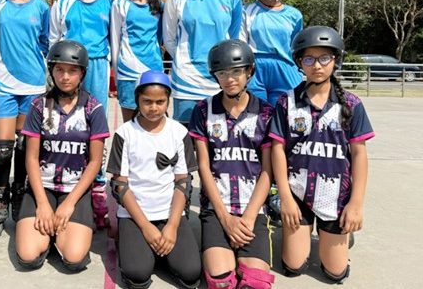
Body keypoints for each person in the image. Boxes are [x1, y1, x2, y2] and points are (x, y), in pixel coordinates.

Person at [269, 26, 374, 284]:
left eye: (324, 58)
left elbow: (359, 155)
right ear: (299, 62)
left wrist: (355, 204)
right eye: (309, 59)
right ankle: (292, 223)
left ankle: (339, 235)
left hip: (335, 196)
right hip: (298, 193)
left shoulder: (351, 104)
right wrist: (286, 198)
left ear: (336, 60)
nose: (317, 65)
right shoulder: (286, 102)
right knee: (293, 266)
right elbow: (278, 150)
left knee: (335, 273)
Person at [189, 40, 276, 289]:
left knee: (255, 284)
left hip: (253, 208)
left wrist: (248, 217)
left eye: (236, 71)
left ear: (249, 71)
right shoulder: (203, 110)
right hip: (218, 208)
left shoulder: (266, 112)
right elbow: (204, 167)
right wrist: (225, 219)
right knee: (221, 282)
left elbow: (267, 171)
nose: (229, 79)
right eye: (222, 73)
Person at [16, 40, 109, 272]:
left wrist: (68, 204)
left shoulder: (94, 108)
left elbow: (95, 162)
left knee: (74, 257)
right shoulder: (39, 106)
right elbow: (31, 158)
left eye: (72, 71)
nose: (65, 77)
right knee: (28, 255)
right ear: (51, 71)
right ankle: (47, 237)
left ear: (82, 73)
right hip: (43, 187)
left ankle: (62, 233)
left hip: (74, 189)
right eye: (59, 69)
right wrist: (42, 204)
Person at [108, 70, 201, 289]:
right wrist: (146, 227)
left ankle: (157, 249)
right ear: (137, 100)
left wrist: (172, 225)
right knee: (137, 273)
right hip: (135, 215)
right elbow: (120, 185)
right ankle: (134, 242)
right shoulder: (125, 133)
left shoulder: (179, 132)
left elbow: (183, 181)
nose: (154, 108)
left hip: (169, 213)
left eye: (160, 102)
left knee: (191, 273)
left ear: (168, 101)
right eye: (147, 101)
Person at [0, 0, 49, 236]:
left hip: (33, 85)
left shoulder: (42, 7)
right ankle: (1, 192)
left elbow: (46, 43)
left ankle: (21, 189)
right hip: (5, 85)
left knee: (25, 146)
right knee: (3, 148)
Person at [49, 0, 113, 228]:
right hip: (69, 69)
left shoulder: (109, 3)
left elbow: (115, 39)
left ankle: (96, 185)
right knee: (67, 124)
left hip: (97, 66)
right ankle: (66, 176)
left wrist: (112, 73)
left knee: (94, 127)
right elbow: (54, 40)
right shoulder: (62, 3)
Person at [162, 0, 243, 127]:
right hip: (186, 80)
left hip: (221, 79)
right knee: (186, 136)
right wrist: (184, 61)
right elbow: (169, 38)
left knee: (220, 136)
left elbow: (235, 40)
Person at [240, 0, 303, 105]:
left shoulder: (294, 15)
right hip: (255, 70)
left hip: (285, 69)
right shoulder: (246, 11)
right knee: (254, 115)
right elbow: (240, 45)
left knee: (286, 115)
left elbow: (297, 49)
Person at [110, 0, 164, 122]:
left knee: (154, 121)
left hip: (154, 70)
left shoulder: (160, 5)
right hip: (128, 73)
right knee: (130, 124)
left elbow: (160, 39)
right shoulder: (119, 4)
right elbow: (115, 42)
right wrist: (117, 77)